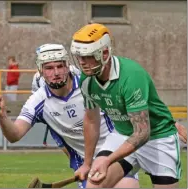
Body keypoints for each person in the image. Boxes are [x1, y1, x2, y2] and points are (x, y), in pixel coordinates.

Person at [0, 43, 139, 188]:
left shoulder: (90, 83)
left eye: (60, 66)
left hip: (115, 153)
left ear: (68, 66)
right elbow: (15, 134)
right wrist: (2, 116)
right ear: (40, 70)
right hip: (84, 163)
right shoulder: (38, 101)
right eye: (49, 68)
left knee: (127, 186)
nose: (56, 73)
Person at [70, 23, 187, 188]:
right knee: (95, 184)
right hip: (122, 134)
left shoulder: (132, 76)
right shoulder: (86, 80)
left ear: (104, 53)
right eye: (79, 56)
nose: (82, 62)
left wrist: (108, 160)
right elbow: (91, 120)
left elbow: (142, 133)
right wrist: (87, 163)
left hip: (158, 137)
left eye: (88, 56)